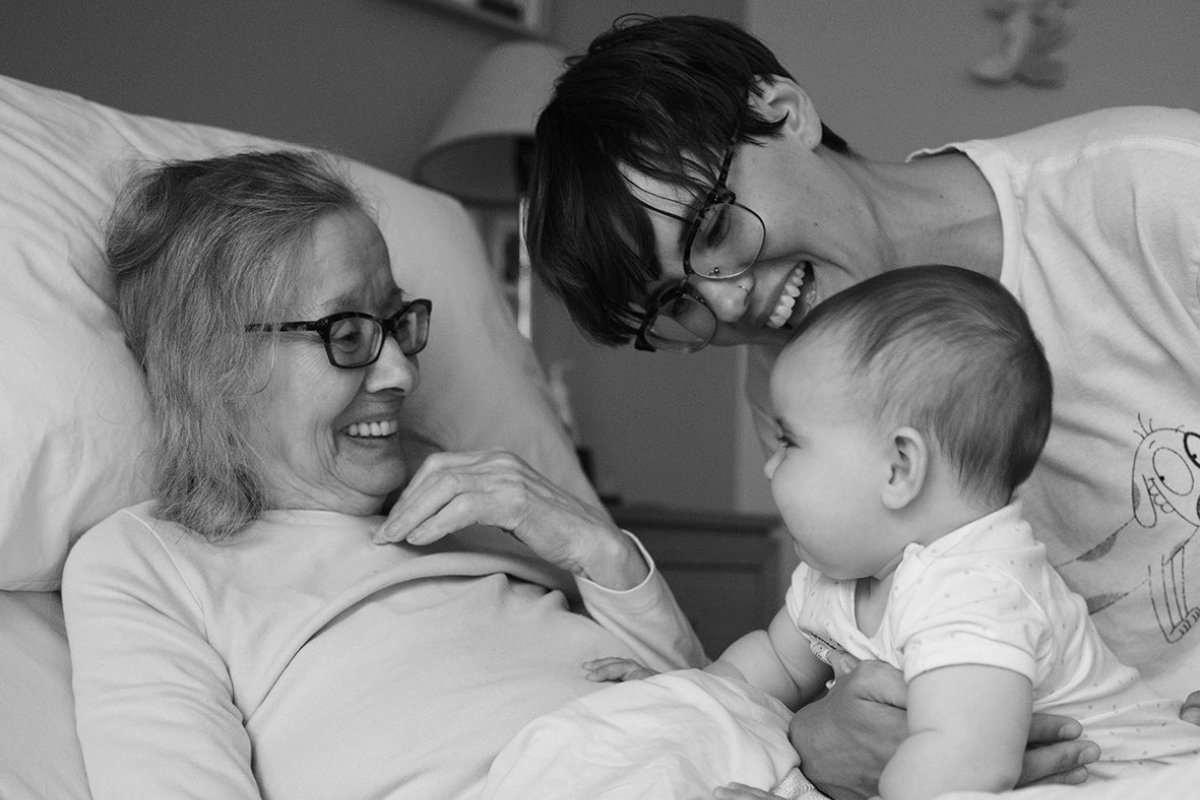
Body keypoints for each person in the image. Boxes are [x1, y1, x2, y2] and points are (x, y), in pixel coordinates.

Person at [525, 13, 1200, 797]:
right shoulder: (791, 387)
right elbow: (832, 647)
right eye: (675, 301)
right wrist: (811, 738)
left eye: (712, 227)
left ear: (783, 112)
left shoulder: (1158, 189)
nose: (730, 296)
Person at [60, 149, 704, 800]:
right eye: (345, 334)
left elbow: (708, 708)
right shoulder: (150, 566)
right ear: (212, 361)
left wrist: (598, 549)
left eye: (397, 322)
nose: (400, 374)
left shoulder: (478, 502)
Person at [587, 265, 1200, 800]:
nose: (771, 464)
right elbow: (765, 669)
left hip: (1128, 781)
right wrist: (685, 702)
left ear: (899, 469)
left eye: (790, 441)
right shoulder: (840, 573)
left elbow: (957, 770)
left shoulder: (975, 589)